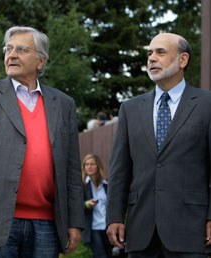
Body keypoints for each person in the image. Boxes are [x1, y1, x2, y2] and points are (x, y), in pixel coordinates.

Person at [0, 26, 84, 258]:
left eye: (21, 50)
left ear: (41, 61)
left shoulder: (64, 104)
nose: (12, 55)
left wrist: (75, 222)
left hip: (48, 224)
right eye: (8, 49)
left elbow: (72, 170)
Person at [106, 32, 211, 257]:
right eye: (150, 53)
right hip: (140, 232)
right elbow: (119, 170)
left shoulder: (206, 104)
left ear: (183, 60)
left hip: (191, 231)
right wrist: (114, 216)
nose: (152, 58)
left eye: (161, 52)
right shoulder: (130, 108)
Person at [81, 154, 113, 258]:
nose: (89, 167)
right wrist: (86, 204)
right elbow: (75, 206)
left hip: (106, 226)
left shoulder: (106, 185)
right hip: (92, 227)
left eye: (92, 164)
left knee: (109, 255)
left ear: (98, 166)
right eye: (87, 164)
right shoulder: (82, 185)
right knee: (101, 255)